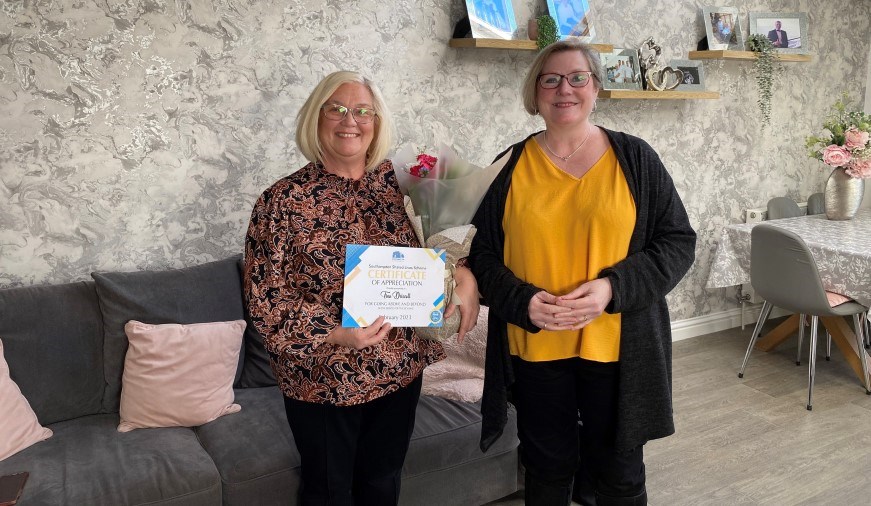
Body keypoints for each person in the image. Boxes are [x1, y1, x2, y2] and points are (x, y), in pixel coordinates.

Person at [470, 40, 696, 506]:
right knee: (547, 469)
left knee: (619, 473)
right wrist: (523, 301)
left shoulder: (634, 158)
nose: (564, 89)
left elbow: (677, 242)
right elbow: (481, 255)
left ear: (596, 88)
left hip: (616, 345)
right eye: (550, 79)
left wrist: (613, 287)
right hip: (535, 346)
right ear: (535, 92)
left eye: (578, 78)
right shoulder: (508, 166)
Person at [243, 70, 480, 506]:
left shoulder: (405, 186)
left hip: (400, 370)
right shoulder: (281, 201)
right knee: (329, 492)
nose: (348, 120)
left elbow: (442, 248)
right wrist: (335, 333)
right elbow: (265, 300)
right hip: (324, 377)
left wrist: (464, 275)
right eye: (335, 108)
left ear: (376, 122)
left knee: (382, 483)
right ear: (316, 119)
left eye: (361, 111)